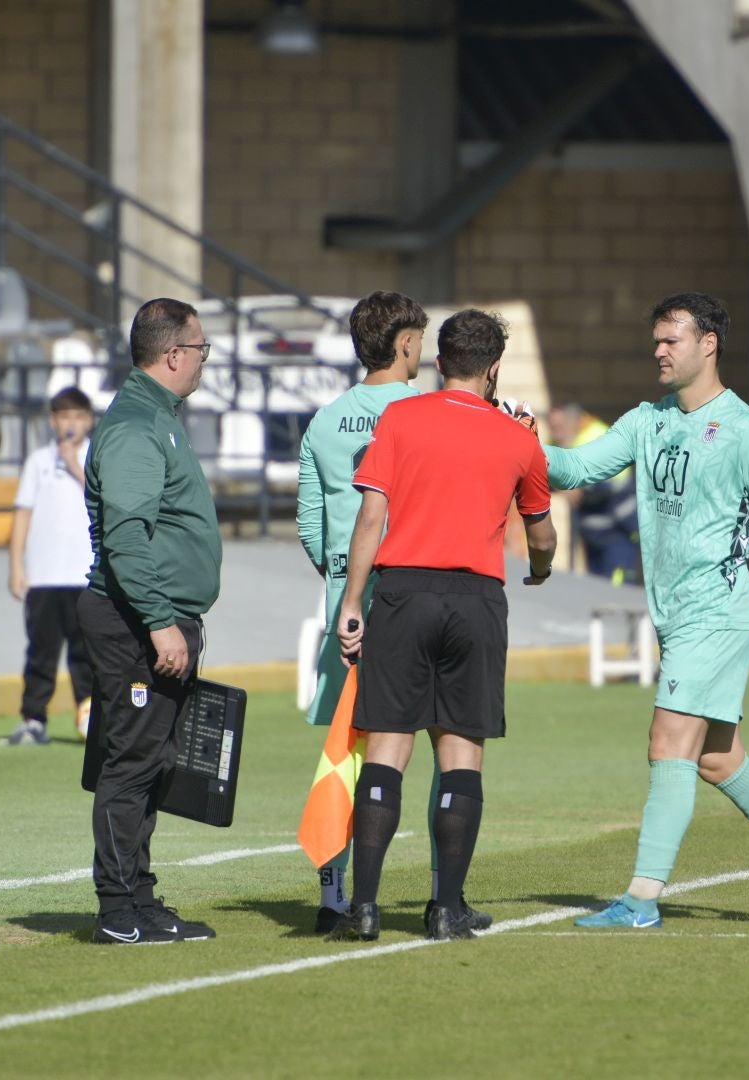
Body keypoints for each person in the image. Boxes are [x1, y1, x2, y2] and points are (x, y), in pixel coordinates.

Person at [545, 292, 749, 930]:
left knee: (668, 743)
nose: (659, 351)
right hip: (675, 616)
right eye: (657, 341)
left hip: (716, 612)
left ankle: (640, 900)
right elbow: (576, 468)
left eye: (672, 340)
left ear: (708, 343)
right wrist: (510, 442)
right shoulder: (646, 419)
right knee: (718, 759)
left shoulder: (747, 430)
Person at [334, 308, 555, 942]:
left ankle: (366, 907)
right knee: (461, 757)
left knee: (387, 749)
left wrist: (354, 602)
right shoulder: (519, 438)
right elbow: (541, 533)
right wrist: (540, 568)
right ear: (494, 369)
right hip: (475, 599)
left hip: (402, 592)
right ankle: (447, 908)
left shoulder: (401, 417)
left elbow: (370, 518)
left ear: (438, 363)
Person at [296, 291, 492, 936]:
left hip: (345, 608)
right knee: (447, 746)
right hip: (416, 594)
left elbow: (309, 523)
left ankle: (334, 896)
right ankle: (444, 894)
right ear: (407, 344)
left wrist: (341, 590)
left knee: (347, 754)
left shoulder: (325, 420)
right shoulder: (428, 411)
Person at [78, 297, 223, 945]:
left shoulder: (159, 417)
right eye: (201, 350)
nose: (203, 361)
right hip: (135, 621)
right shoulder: (137, 427)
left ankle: (141, 898)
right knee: (132, 764)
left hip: (154, 617)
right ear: (173, 354)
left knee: (155, 762)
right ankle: (117, 909)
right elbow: (127, 538)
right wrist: (162, 622)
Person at [3, 387, 96, 747]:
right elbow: (23, 514)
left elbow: (102, 497)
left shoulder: (95, 458)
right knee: (40, 653)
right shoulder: (38, 461)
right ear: (53, 421)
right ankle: (33, 719)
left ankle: (91, 720)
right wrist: (16, 566)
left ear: (88, 421)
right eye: (63, 417)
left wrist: (74, 464)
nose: (70, 424)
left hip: (85, 576)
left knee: (86, 656)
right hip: (44, 577)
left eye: (77, 417)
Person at [545, 403, 641, 584]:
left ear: (573, 422)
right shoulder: (557, 442)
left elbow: (615, 481)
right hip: (592, 533)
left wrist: (580, 489)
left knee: (618, 590)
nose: (555, 433)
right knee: (597, 589)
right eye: (551, 427)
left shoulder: (598, 435)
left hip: (618, 529)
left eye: (559, 427)